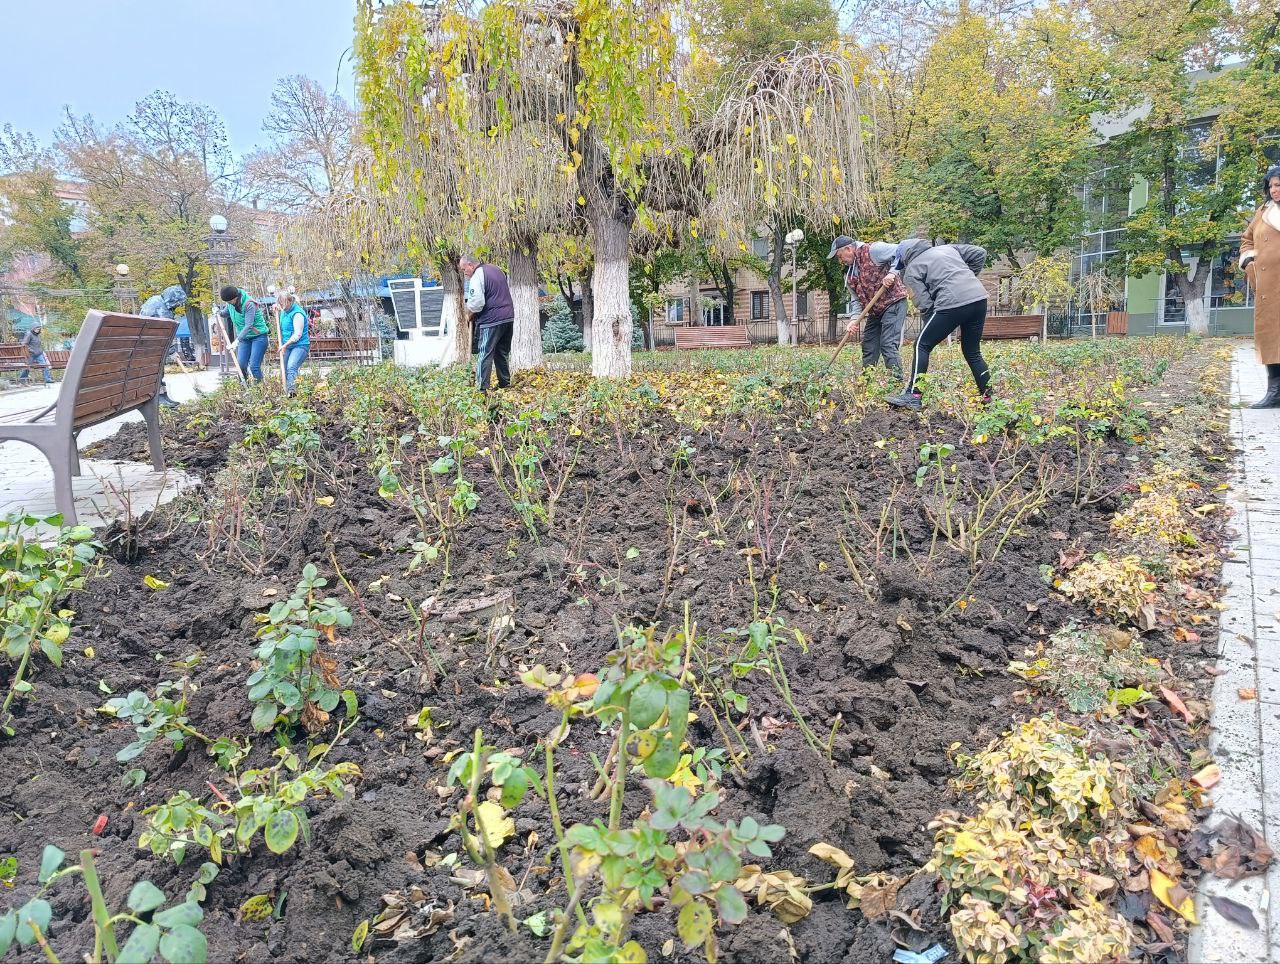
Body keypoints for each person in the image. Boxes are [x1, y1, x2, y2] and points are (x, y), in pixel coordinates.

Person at [884, 239, 992, 411]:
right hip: (978, 298)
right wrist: (967, 278)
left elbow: (925, 304)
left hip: (951, 304)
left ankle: (914, 395)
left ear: (904, 257)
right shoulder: (948, 249)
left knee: (922, 344)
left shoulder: (911, 270)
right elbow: (980, 252)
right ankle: (988, 397)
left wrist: (931, 324)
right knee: (973, 352)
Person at [828, 235, 910, 376]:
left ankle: (896, 383)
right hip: (876, 311)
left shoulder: (874, 250)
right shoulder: (848, 274)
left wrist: (892, 273)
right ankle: (866, 382)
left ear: (848, 248)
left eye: (840, 256)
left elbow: (902, 249)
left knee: (888, 344)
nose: (840, 261)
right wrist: (854, 319)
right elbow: (856, 300)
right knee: (869, 345)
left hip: (894, 302)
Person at [1240, 164, 1280, 409]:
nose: (1275, 190)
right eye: (1272, 186)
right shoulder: (1263, 211)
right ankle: (1275, 393)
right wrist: (1250, 263)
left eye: (1279, 185)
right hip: (1270, 288)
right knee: (1272, 338)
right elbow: (1246, 240)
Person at [459, 255, 514, 393]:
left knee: (485, 353)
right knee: (501, 352)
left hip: (491, 320)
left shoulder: (477, 275)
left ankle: (481, 388)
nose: (464, 273)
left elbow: (477, 303)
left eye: (464, 269)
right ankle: (505, 384)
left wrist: (469, 314)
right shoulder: (496, 269)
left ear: (471, 265)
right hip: (508, 317)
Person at [139, 284, 188, 407]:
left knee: (158, 371)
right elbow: (165, 333)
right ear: (173, 299)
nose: (178, 305)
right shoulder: (163, 310)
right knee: (157, 371)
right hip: (151, 347)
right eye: (178, 302)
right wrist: (172, 352)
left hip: (146, 345)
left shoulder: (155, 300)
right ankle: (159, 398)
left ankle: (163, 395)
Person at [219, 285, 270, 382]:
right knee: (241, 366)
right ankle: (244, 389)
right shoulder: (231, 303)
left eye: (230, 302)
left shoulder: (249, 304)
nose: (229, 304)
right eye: (227, 302)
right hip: (245, 339)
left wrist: (236, 341)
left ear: (236, 297)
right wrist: (218, 312)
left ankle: (259, 390)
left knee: (254, 366)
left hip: (258, 337)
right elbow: (225, 313)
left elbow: (248, 326)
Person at [274, 293, 310, 393]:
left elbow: (297, 335)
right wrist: (276, 307)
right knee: (284, 369)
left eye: (283, 304)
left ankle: (292, 392)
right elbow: (278, 306)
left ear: (290, 302)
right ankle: (286, 393)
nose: (282, 307)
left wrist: (284, 345)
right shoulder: (284, 310)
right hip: (287, 345)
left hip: (300, 345)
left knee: (291, 367)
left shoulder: (297, 314)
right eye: (280, 304)